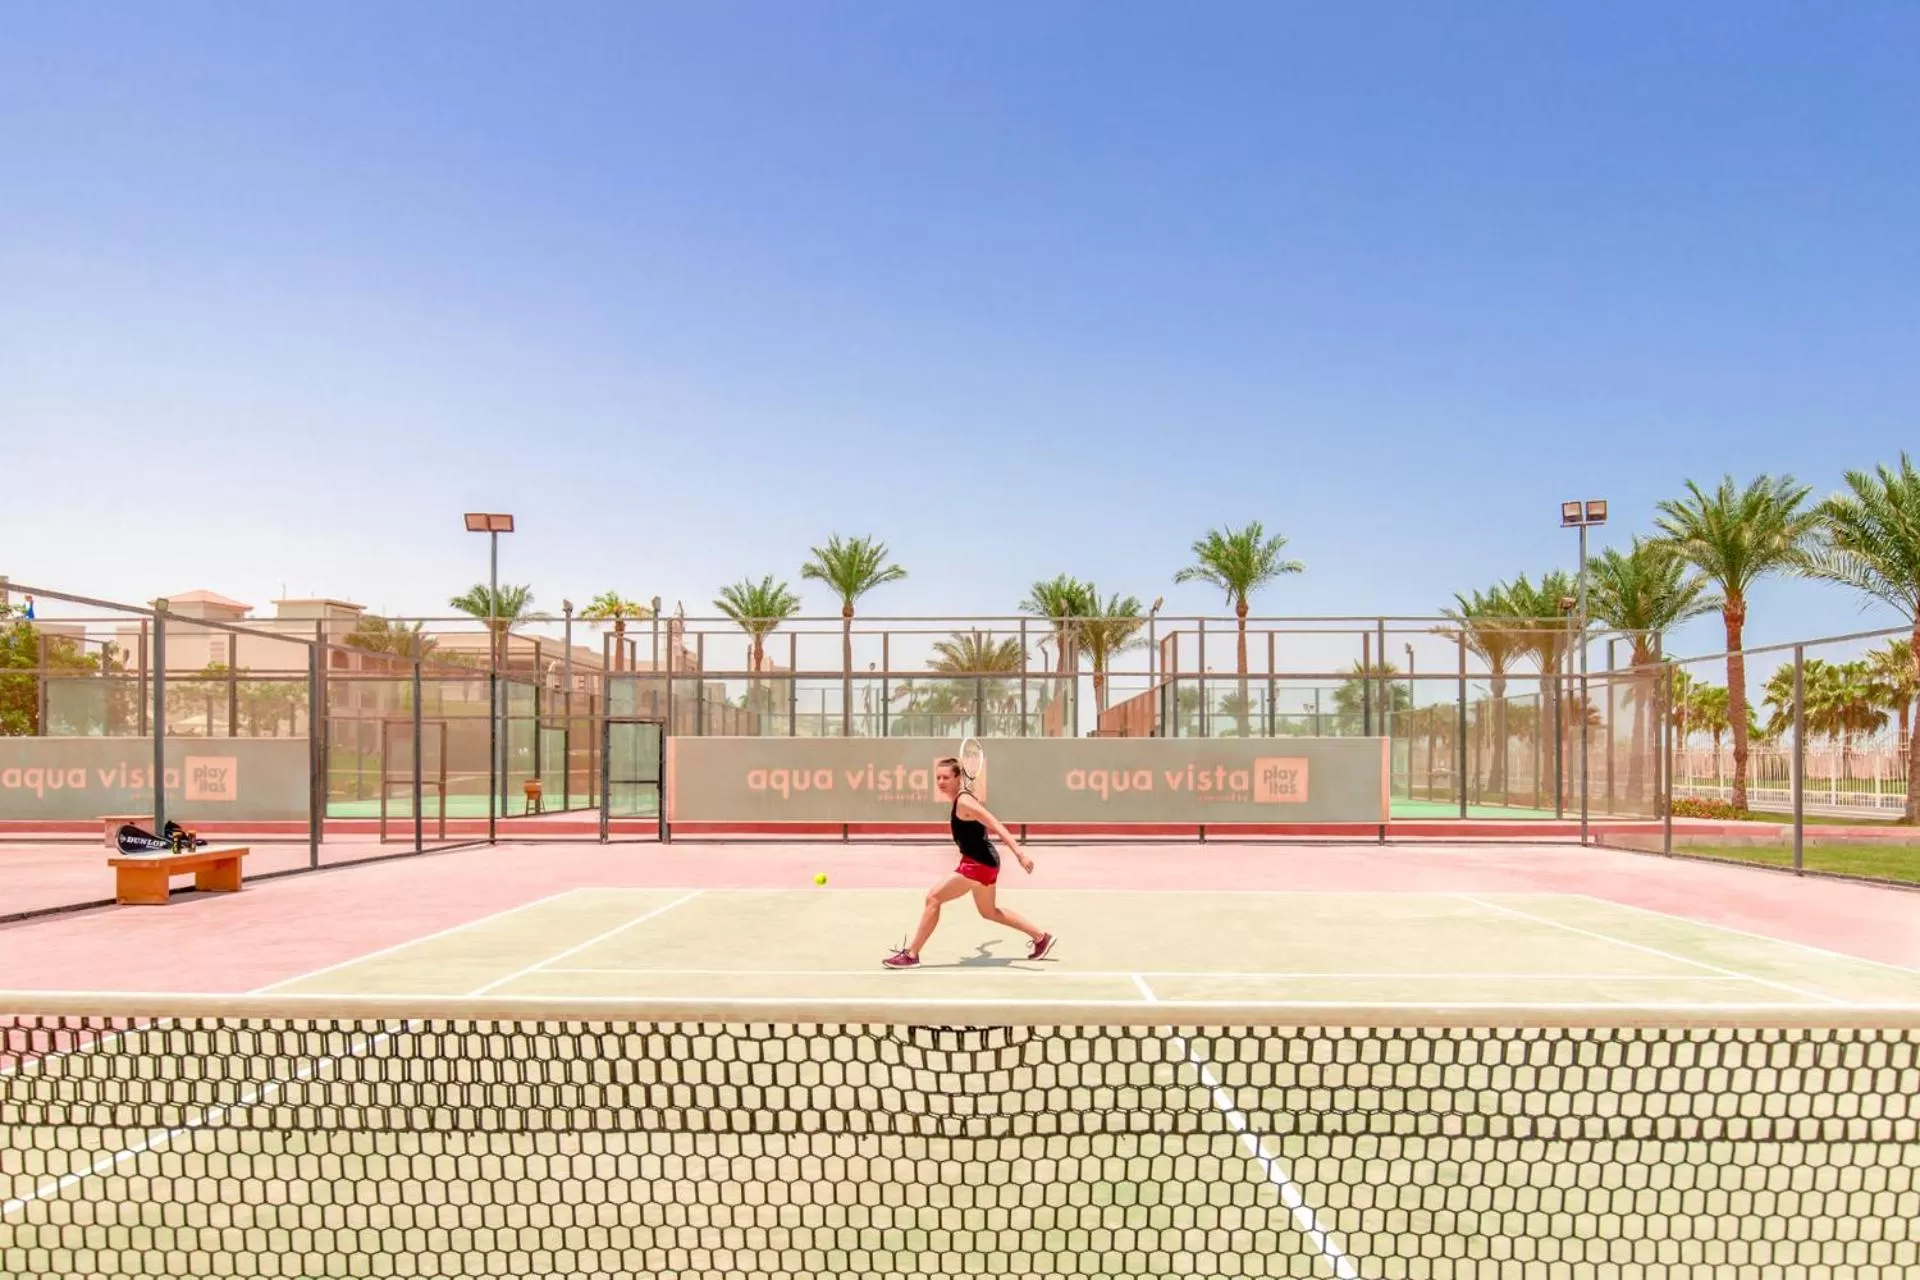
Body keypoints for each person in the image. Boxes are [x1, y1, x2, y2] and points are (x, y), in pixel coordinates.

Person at [883, 754, 1054, 968]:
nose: (941, 782)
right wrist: (984, 950)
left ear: (958, 778)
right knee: (989, 912)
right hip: (983, 862)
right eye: (938, 778)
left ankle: (911, 954)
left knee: (933, 898)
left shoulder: (964, 802)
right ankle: (1041, 937)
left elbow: (995, 823)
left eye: (946, 778)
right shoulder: (962, 799)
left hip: (978, 864)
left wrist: (1020, 854)